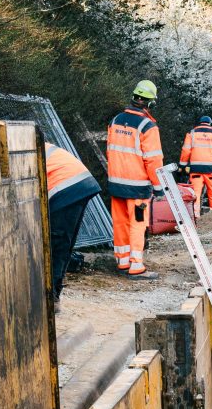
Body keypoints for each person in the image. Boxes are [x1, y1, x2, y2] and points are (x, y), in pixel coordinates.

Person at [106, 79, 164, 277]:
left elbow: (111, 151)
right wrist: (158, 186)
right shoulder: (148, 126)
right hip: (137, 187)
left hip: (116, 184)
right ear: (150, 103)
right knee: (138, 224)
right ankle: (136, 265)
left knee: (120, 223)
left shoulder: (115, 120)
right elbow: (153, 160)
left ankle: (122, 262)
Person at [43, 142, 101, 301]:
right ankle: (54, 293)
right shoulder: (27, 142)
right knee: (64, 243)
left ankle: (51, 296)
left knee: (57, 243)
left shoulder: (19, 148)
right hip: (79, 182)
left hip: (65, 186)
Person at [179, 114, 212, 211]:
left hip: (195, 170)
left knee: (195, 193)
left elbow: (186, 151)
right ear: (210, 123)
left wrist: (182, 166)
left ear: (200, 122)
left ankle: (195, 215)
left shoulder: (191, 133)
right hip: (211, 170)